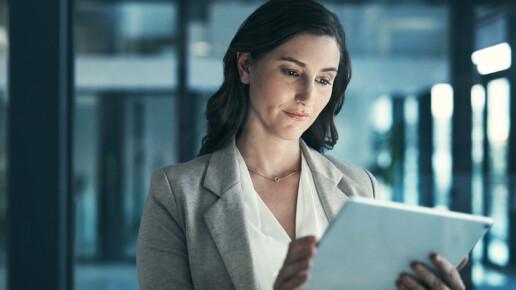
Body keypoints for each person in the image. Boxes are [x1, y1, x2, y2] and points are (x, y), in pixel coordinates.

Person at [136, 1, 468, 289]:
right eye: (292, 72)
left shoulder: (359, 187)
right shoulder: (177, 193)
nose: (308, 97)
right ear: (245, 66)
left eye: (324, 79)